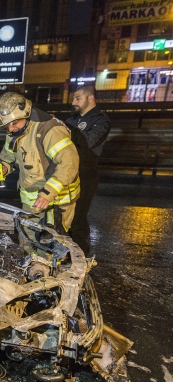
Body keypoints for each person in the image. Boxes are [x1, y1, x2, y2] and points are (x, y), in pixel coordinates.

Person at [0, 92, 80, 237]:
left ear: (26, 113)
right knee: (27, 243)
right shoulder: (15, 130)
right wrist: (5, 167)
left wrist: (48, 194)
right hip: (32, 203)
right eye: (6, 126)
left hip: (56, 202)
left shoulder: (49, 130)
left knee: (50, 247)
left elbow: (69, 164)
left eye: (12, 123)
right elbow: (9, 156)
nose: (10, 129)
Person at [66, 85, 111, 255]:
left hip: (85, 174)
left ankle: (81, 258)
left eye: (77, 98)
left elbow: (88, 143)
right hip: (66, 173)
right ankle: (65, 255)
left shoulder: (101, 120)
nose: (73, 102)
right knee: (64, 217)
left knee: (78, 218)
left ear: (90, 98)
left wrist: (65, 131)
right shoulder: (72, 120)